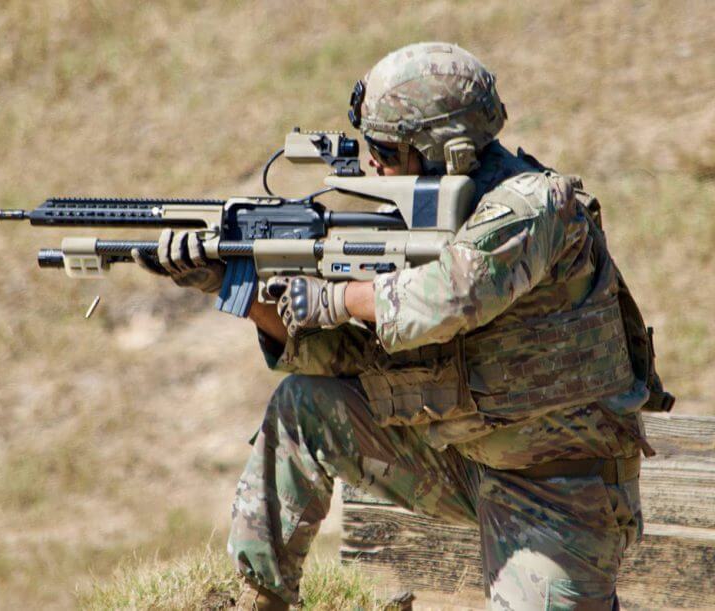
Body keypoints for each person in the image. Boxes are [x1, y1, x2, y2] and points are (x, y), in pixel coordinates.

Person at [138, 43, 672, 610]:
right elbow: (344, 357)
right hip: (462, 461)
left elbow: (452, 296)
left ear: (444, 150)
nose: (372, 164)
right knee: (305, 406)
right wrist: (229, 285)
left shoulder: (535, 206)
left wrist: (337, 297)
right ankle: (260, 599)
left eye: (385, 150)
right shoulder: (422, 225)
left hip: (561, 491)